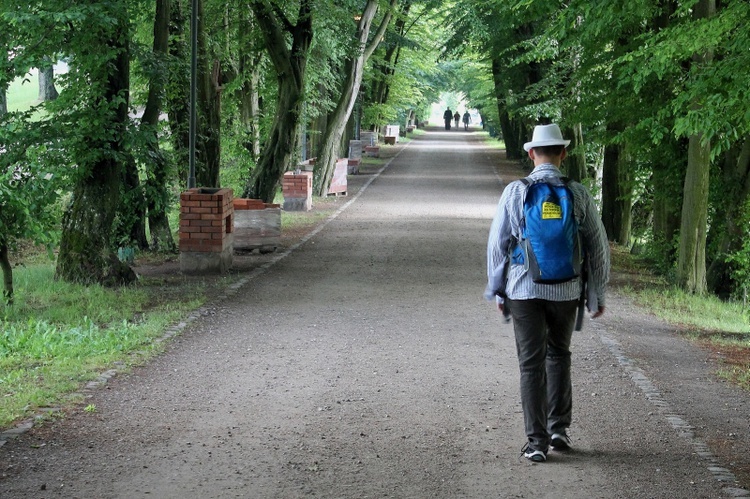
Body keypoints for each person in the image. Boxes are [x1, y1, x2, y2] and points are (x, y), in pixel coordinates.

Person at [484, 123, 610, 463]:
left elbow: (498, 245)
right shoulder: (579, 193)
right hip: (567, 289)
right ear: (563, 153)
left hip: (523, 290)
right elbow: (598, 247)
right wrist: (596, 292)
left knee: (530, 365)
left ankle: (536, 442)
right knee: (559, 354)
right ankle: (558, 429)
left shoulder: (515, 192)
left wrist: (497, 290)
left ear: (531, 154)